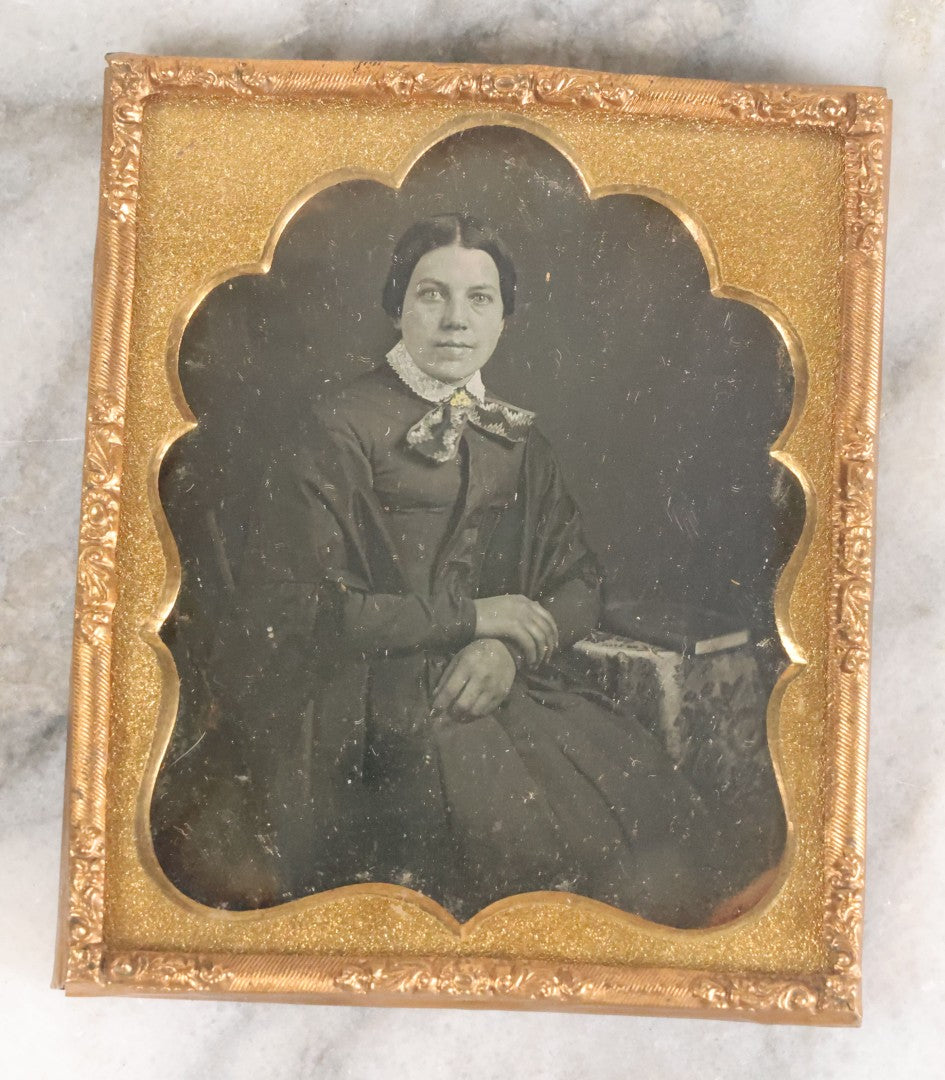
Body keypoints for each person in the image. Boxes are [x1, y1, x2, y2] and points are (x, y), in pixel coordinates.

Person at [153, 213, 766, 926]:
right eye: (431, 294)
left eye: (479, 299)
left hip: (488, 677)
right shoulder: (339, 426)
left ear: (504, 317)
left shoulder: (514, 437)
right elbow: (298, 609)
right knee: (507, 841)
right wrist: (472, 616)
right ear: (397, 306)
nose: (455, 320)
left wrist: (505, 647)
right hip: (354, 699)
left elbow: (579, 583)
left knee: (642, 817)